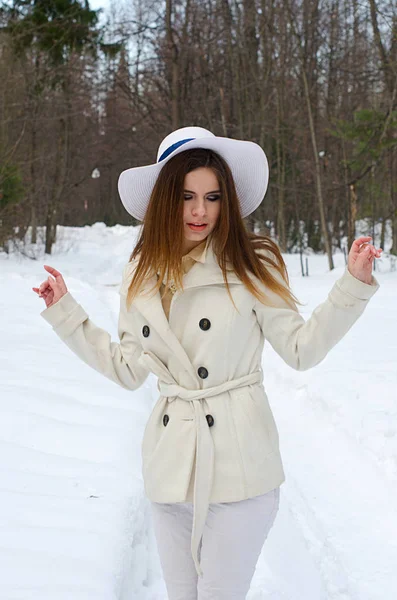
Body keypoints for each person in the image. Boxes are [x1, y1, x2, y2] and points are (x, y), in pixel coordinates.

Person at [33, 126, 382, 600]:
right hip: (171, 465)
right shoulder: (140, 271)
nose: (200, 211)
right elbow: (128, 368)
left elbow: (303, 349)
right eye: (186, 196)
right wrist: (66, 312)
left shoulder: (251, 261)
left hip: (240, 466)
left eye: (213, 197)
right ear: (163, 200)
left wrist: (351, 286)